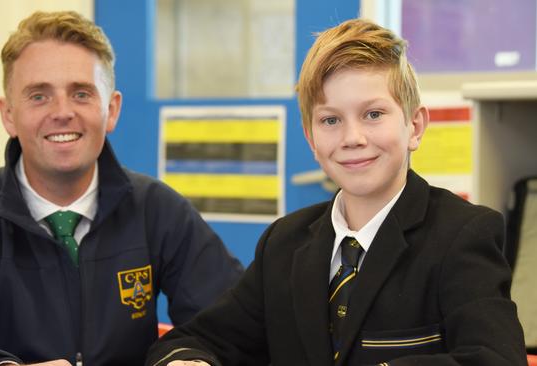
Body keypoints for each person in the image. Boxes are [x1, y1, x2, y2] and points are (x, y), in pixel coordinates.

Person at [144, 18, 527, 366]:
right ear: (311, 139)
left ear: (414, 126)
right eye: (330, 120)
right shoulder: (284, 243)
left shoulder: (463, 235)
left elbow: (494, 359)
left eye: (373, 114)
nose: (352, 138)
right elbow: (198, 339)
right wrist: (187, 360)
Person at [0, 10, 243, 366]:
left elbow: (236, 323)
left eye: (82, 94)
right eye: (39, 96)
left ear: (112, 109)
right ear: (8, 114)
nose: (62, 112)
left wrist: (190, 357)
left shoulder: (158, 210)